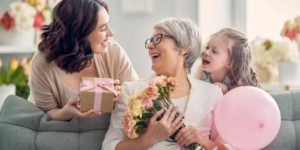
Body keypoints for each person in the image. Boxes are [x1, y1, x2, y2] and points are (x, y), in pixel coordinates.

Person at [102, 18, 231, 150]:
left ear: (182, 49)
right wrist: (148, 138)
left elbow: (229, 147)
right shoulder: (131, 91)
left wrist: (204, 141)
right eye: (150, 41)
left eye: (158, 39)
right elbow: (109, 147)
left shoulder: (212, 94)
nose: (150, 46)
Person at [28, 0, 138, 121]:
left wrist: (122, 96)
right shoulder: (43, 62)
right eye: (102, 28)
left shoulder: (113, 52)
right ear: (79, 33)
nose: (111, 33)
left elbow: (137, 97)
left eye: (108, 25)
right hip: (61, 133)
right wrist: (67, 112)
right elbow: (45, 114)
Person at [195, 28, 259, 94]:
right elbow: (194, 93)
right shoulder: (202, 71)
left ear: (230, 62)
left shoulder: (238, 82)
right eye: (207, 47)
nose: (206, 52)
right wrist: (210, 89)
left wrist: (225, 92)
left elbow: (239, 102)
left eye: (214, 51)